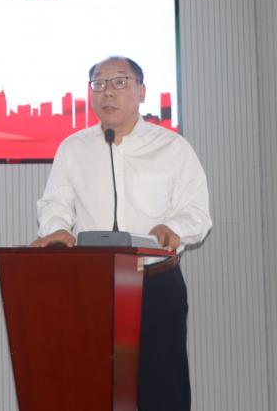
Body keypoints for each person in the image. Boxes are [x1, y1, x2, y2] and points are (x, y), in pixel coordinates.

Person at [31, 56, 212, 411]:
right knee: (90, 389)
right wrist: (57, 230)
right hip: (91, 287)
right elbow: (54, 204)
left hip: (154, 286)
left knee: (162, 393)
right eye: (99, 84)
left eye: (119, 82)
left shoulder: (172, 147)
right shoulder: (73, 148)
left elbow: (197, 213)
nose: (107, 92)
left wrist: (173, 228)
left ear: (141, 92)